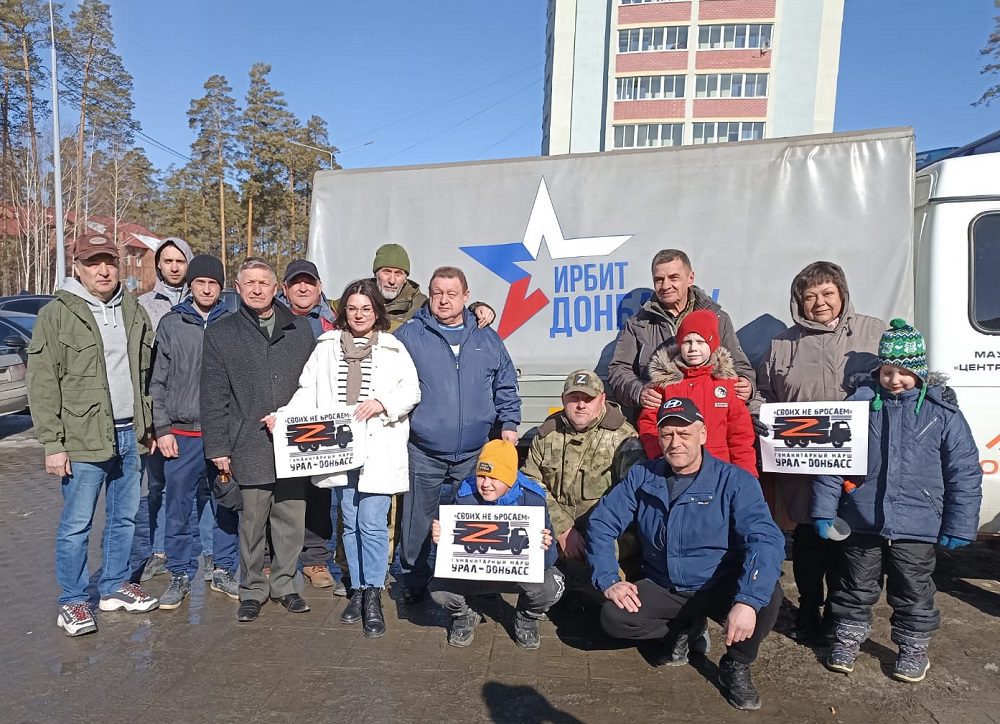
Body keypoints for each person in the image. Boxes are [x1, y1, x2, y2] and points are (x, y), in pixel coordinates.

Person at [812, 319, 982, 683]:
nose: (895, 380)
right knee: (855, 585)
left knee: (913, 589)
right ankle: (847, 640)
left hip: (917, 524)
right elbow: (831, 461)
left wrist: (960, 523)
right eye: (888, 372)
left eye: (904, 372)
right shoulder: (858, 406)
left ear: (919, 373)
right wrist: (824, 510)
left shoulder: (941, 413)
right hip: (862, 519)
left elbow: (964, 471)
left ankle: (913, 648)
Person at [587, 397, 785, 711]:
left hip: (719, 583)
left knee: (768, 595)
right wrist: (609, 579)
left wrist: (747, 601)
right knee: (614, 617)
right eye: (667, 434)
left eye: (684, 433)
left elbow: (765, 540)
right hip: (666, 585)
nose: (675, 442)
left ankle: (736, 665)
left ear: (702, 434)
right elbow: (602, 522)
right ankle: (683, 629)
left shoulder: (734, 481)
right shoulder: (643, 476)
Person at [28, 233, 160, 636]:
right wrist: (53, 444)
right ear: (78, 267)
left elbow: (145, 374)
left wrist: (149, 425)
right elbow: (43, 382)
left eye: (109, 262)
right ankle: (72, 601)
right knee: (77, 524)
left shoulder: (132, 309)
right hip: (83, 437)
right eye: (93, 262)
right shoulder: (56, 314)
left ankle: (114, 586)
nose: (103, 270)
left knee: (124, 518)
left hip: (130, 433)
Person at [274, 278, 420, 638]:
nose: (358, 315)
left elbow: (411, 390)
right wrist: (284, 416)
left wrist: (383, 403)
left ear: (376, 312)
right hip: (338, 449)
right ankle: (356, 589)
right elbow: (308, 390)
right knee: (350, 522)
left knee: (373, 523)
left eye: (366, 308)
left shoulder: (393, 348)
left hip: (378, 447)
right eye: (352, 308)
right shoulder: (326, 347)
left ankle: (373, 593)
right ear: (344, 312)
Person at [756, 261, 884, 642]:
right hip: (803, 466)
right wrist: (761, 415)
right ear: (798, 302)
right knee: (810, 538)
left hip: (858, 463)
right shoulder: (781, 345)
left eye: (827, 293)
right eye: (809, 296)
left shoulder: (873, 333)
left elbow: (901, 382)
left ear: (842, 293)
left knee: (851, 541)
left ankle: (841, 615)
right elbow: (762, 393)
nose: (820, 302)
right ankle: (809, 607)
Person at [394, 266, 521, 605]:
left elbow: (505, 383)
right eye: (437, 293)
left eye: (452, 293)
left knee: (473, 517)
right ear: (429, 294)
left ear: (466, 296)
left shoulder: (486, 337)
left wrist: (509, 422)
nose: (444, 300)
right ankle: (414, 578)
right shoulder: (410, 336)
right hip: (424, 450)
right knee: (416, 521)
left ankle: (472, 581)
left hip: (475, 452)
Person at [201, 257, 316, 622]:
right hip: (247, 442)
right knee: (252, 523)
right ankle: (251, 588)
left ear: (276, 288)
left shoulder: (300, 329)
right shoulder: (222, 332)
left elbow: (314, 386)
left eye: (263, 283)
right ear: (237, 288)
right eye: (249, 283)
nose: (256, 289)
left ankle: (285, 584)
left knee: (291, 518)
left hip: (295, 444)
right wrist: (218, 447)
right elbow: (213, 395)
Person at [150, 255, 241, 608]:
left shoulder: (232, 323)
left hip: (222, 433)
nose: (206, 289)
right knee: (178, 507)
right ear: (191, 285)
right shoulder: (172, 323)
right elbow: (158, 381)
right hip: (181, 433)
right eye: (200, 282)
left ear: (221, 288)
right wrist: (162, 428)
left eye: (212, 283)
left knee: (226, 503)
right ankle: (179, 572)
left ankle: (223, 569)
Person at [520, 370, 644, 602]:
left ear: (602, 399)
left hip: (605, 537)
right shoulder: (547, 434)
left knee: (613, 606)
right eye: (574, 398)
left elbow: (629, 499)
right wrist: (563, 528)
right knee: (536, 588)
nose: (580, 405)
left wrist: (593, 539)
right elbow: (531, 482)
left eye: (588, 399)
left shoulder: (624, 438)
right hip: (557, 533)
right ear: (563, 400)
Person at [429, 440, 563, 649]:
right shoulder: (465, 496)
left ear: (510, 478)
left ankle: (527, 616)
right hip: (476, 573)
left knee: (552, 584)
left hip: (517, 574)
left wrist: (545, 547)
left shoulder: (532, 498)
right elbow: (446, 559)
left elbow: (550, 560)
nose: (485, 484)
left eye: (495, 477)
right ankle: (465, 614)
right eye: (481, 476)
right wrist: (440, 540)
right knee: (438, 589)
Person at [136, 236, 211, 584]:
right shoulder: (144, 306)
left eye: (181, 261)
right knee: (160, 486)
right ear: (158, 265)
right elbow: (144, 365)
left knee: (206, 489)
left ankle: (209, 552)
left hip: (199, 414)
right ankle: (160, 550)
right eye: (168, 261)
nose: (175, 267)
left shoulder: (205, 300)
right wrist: (153, 420)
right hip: (162, 411)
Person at [608, 249, 754, 418]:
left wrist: (746, 383)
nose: (665, 286)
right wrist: (639, 391)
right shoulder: (638, 324)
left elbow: (739, 365)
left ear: (690, 278)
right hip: (661, 419)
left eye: (673, 278)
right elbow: (618, 370)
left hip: (712, 417)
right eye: (659, 280)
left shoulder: (718, 319)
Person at [277, 259, 344, 595]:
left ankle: (315, 559)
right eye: (296, 283)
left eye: (309, 282)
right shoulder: (271, 317)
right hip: (281, 415)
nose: (302, 288)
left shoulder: (333, 320)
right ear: (285, 288)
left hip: (320, 419)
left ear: (319, 287)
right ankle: (278, 558)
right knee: (282, 493)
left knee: (319, 493)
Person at [637, 309, 756, 476]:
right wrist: (661, 457)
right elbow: (649, 425)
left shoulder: (727, 384)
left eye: (700, 341)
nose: (693, 348)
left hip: (719, 470)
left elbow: (740, 436)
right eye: (687, 342)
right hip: (676, 469)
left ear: (712, 344)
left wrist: (746, 476)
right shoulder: (665, 383)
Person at [369, 243, 495, 331]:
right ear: (376, 273)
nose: (392, 280)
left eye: (398, 274)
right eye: (386, 272)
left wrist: (477, 308)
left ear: (406, 277)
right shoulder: (361, 297)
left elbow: (451, 311)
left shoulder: (420, 304)